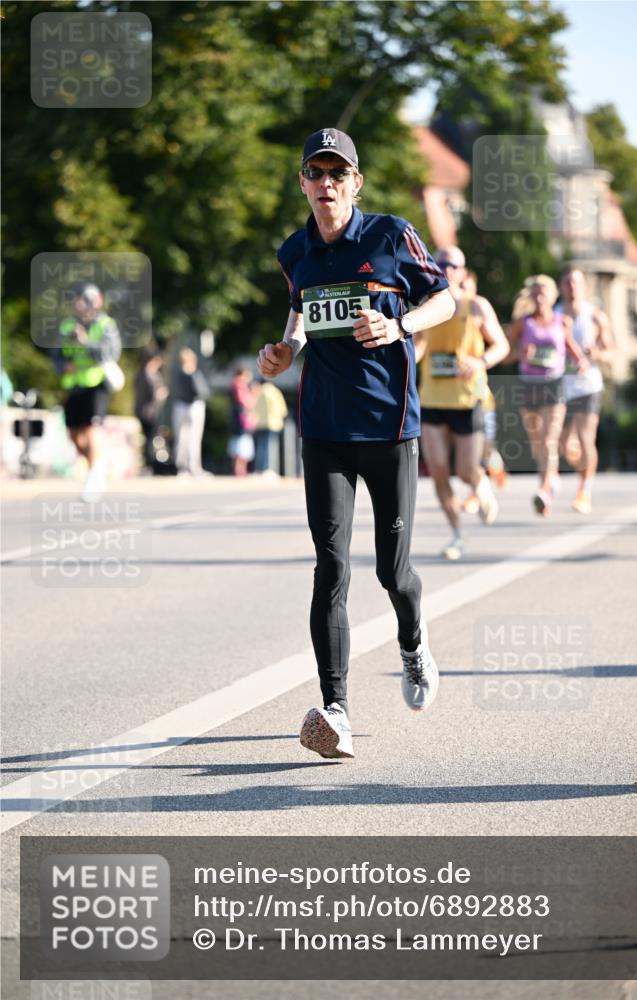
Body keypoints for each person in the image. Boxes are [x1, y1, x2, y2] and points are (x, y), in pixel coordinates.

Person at [257, 127, 455, 760]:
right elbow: (300, 313)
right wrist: (285, 348)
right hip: (324, 428)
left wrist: (396, 324)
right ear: (303, 184)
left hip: (390, 426)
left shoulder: (392, 235)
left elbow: (444, 301)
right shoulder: (296, 251)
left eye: (338, 173)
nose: (327, 183)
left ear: (355, 183)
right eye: (316, 173)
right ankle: (336, 709)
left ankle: (413, 641)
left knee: (391, 572)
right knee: (331, 567)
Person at [416, 246, 509, 561]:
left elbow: (502, 345)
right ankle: (456, 533)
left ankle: (480, 484)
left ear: (462, 270)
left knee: (466, 470)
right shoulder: (424, 305)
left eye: (451, 264)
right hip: (431, 398)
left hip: (468, 398)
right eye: (439, 263)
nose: (445, 268)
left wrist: (480, 361)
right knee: (439, 470)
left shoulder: (476, 307)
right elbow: (417, 347)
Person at [509, 275, 588, 516]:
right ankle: (550, 481)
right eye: (535, 293)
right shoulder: (523, 323)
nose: (540, 297)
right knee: (537, 443)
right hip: (528, 385)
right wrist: (522, 352)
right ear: (531, 296)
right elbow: (507, 351)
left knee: (548, 441)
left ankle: (544, 491)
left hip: (553, 384)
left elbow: (571, 346)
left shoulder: (562, 321)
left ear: (553, 296)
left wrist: (581, 361)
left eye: (544, 293)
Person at [50, 282, 121, 501]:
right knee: (73, 433)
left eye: (81, 299)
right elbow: (56, 354)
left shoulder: (106, 325)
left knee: (91, 429)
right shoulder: (67, 326)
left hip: (96, 383)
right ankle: (97, 467)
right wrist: (63, 366)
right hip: (74, 384)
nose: (77, 304)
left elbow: (110, 353)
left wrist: (86, 341)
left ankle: (94, 477)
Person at [556, 267, 613, 514]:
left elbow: (611, 354)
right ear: (560, 286)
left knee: (586, 438)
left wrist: (595, 353)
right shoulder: (554, 315)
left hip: (587, 386)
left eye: (576, 282)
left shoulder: (595, 316)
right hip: (559, 387)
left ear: (584, 287)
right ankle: (581, 473)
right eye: (568, 282)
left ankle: (584, 490)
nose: (572, 286)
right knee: (563, 444)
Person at [172, 347, 210, 476]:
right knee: (192, 437)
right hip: (193, 406)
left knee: (183, 437)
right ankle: (192, 467)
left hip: (181, 406)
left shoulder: (178, 373)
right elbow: (202, 392)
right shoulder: (193, 373)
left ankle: (184, 467)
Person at [134, 346, 168, 473]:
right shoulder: (150, 375)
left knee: (147, 438)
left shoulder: (140, 374)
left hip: (141, 410)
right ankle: (149, 465)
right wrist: (162, 393)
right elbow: (156, 394)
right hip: (150, 412)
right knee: (150, 439)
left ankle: (147, 464)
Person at [254, 378, 288, 477]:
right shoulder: (275, 392)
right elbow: (282, 409)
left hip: (260, 423)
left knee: (260, 446)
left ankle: (259, 469)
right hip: (273, 423)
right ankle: (267, 469)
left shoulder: (258, 391)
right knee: (269, 447)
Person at [228, 366, 258, 476]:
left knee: (241, 443)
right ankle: (240, 469)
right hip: (241, 418)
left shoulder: (235, 384)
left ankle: (240, 469)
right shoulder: (239, 385)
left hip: (239, 417)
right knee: (242, 444)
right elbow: (246, 401)